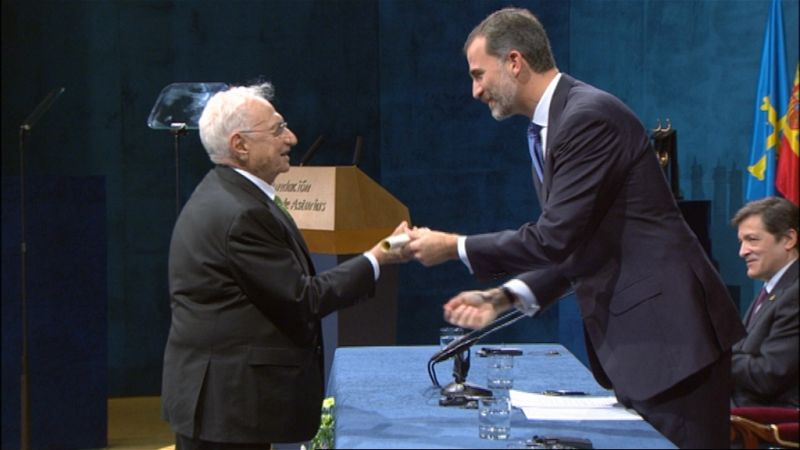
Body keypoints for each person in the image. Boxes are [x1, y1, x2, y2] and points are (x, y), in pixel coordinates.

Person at [406, 7, 745, 448]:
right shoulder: (551, 128)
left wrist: (455, 246)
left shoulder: (587, 117)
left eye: (478, 74)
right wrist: (505, 296)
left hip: (672, 343)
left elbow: (555, 236)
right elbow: (579, 243)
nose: (475, 91)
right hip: (648, 349)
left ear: (514, 61)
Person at [161, 82, 410, 449]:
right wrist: (380, 255)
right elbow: (303, 298)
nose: (291, 138)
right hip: (227, 408)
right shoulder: (240, 213)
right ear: (239, 145)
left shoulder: (229, 194)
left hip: (227, 406)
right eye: (277, 129)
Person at [731, 197, 799, 408]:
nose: (742, 251)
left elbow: (769, 374)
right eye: (741, 242)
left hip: (767, 425)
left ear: (788, 239)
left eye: (752, 239)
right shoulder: (773, 289)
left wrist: (715, 357)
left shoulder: (795, 294)